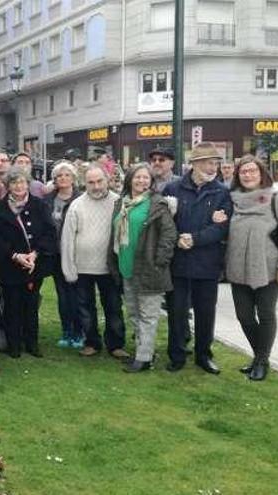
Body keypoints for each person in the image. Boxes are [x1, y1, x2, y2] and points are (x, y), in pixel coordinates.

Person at [225, 155, 278, 381]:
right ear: (238, 176)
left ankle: (260, 361)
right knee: (244, 317)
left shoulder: (276, 199)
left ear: (262, 174)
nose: (248, 175)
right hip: (238, 270)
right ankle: (261, 357)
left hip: (270, 270)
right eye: (243, 172)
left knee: (266, 315)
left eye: (252, 171)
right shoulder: (233, 200)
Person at [162, 142, 233, 374]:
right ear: (195, 164)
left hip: (207, 262)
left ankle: (204, 355)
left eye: (215, 163)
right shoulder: (173, 189)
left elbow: (222, 228)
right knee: (177, 311)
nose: (213, 168)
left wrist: (195, 238)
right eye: (208, 163)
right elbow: (164, 223)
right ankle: (177, 354)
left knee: (206, 312)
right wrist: (176, 239)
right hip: (179, 262)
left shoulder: (222, 192)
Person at [108, 164, 177, 372]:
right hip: (127, 267)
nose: (141, 181)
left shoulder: (157, 204)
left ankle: (144, 359)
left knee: (148, 315)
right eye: (137, 177)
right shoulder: (122, 203)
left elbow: (169, 234)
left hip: (149, 269)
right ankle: (144, 350)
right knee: (134, 313)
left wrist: (159, 262)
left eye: (146, 178)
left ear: (151, 181)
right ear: (130, 179)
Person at [0, 168, 57, 358]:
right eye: (14, 183)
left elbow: (49, 233)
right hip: (9, 266)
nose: (19, 186)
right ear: (8, 186)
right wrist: (15, 255)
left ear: (28, 184)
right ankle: (14, 344)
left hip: (33, 266)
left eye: (22, 182)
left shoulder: (39, 206)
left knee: (31, 305)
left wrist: (35, 254)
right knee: (12, 305)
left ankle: (32, 343)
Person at [61, 165, 128, 359]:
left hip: (110, 267)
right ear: (84, 183)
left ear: (107, 180)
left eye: (99, 181)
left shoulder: (119, 203)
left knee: (113, 307)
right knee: (85, 308)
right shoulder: (77, 205)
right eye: (91, 182)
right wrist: (69, 268)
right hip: (83, 267)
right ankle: (92, 342)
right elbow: (67, 238)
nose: (96, 186)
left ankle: (115, 344)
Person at [43, 161, 82, 348]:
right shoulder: (48, 200)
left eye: (67, 175)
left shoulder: (81, 198)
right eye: (59, 176)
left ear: (73, 178)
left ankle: (79, 331)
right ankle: (66, 330)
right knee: (63, 295)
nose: (63, 178)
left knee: (77, 294)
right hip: (55, 254)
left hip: (75, 254)